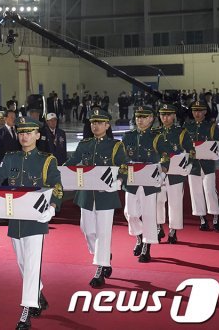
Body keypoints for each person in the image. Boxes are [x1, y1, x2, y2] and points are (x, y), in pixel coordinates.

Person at [0, 116, 63, 330]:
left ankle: (26, 310)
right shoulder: (11, 158)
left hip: (36, 220)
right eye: (21, 132)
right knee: (23, 264)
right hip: (15, 220)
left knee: (31, 264)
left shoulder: (47, 160)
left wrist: (52, 207)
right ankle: (38, 292)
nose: (25, 136)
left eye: (29, 133)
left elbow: (56, 186)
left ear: (37, 136)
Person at [64, 109, 127, 288]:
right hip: (86, 195)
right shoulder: (84, 144)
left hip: (106, 196)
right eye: (93, 122)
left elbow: (124, 166)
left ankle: (100, 268)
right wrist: (56, 171)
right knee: (88, 230)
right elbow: (72, 162)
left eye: (100, 122)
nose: (95, 125)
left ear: (107, 125)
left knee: (103, 233)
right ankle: (103, 254)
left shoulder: (115, 146)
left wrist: (119, 181)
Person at [121, 105, 165, 262]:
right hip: (132, 180)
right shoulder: (128, 136)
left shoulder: (157, 137)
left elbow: (165, 156)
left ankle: (147, 245)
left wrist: (163, 173)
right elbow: (121, 156)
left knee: (148, 214)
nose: (140, 120)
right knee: (130, 213)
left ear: (151, 119)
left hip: (149, 180)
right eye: (138, 117)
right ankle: (139, 236)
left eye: (144, 117)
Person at [154, 103, 194, 243]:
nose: (165, 117)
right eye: (162, 114)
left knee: (175, 202)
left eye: (168, 114)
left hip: (176, 173)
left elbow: (191, 151)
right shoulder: (155, 132)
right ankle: (158, 227)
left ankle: (173, 230)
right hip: (158, 172)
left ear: (174, 116)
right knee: (157, 201)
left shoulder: (181, 132)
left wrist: (189, 166)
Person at [183, 100, 219, 231]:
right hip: (193, 165)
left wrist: (218, 150)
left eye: (200, 110)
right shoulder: (187, 127)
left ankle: (216, 217)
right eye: (195, 110)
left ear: (205, 112)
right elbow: (182, 145)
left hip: (208, 165)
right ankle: (202, 219)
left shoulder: (211, 126)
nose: (197, 113)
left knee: (210, 191)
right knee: (195, 193)